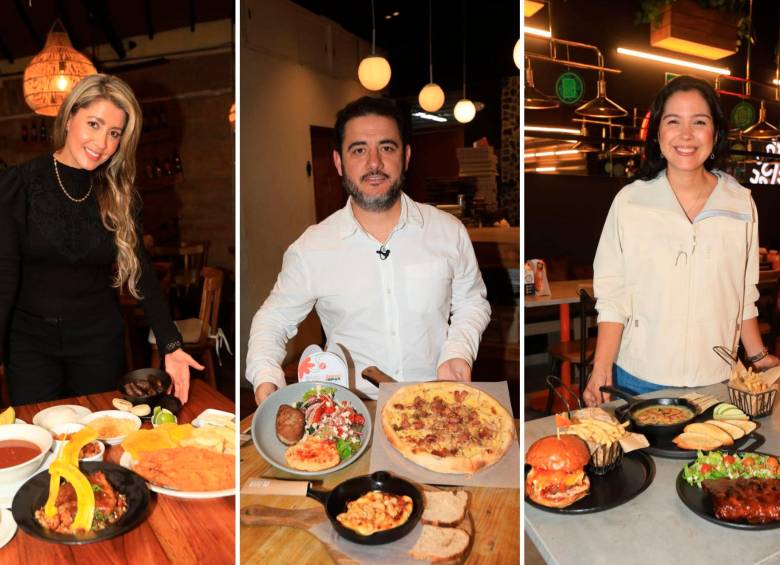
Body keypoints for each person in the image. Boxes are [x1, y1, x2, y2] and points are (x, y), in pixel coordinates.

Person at [247, 96, 491, 405]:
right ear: (338, 162)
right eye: (359, 149)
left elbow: (472, 302)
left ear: (406, 157)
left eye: (387, 148)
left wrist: (458, 352)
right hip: (353, 412)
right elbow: (273, 319)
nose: (374, 163)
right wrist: (266, 375)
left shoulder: (448, 231)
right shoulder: (311, 247)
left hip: (438, 402)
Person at [0, 74, 203, 405]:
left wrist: (171, 344)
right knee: (40, 438)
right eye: (93, 124)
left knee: (97, 436)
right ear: (68, 118)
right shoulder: (18, 186)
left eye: (114, 133)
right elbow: (4, 277)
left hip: (97, 341)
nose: (102, 143)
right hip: (29, 343)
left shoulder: (120, 195)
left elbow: (142, 274)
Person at [583, 76, 780, 407]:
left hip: (718, 378)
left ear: (715, 133)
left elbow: (742, 293)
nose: (686, 135)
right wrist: (601, 366)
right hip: (639, 378)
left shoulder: (740, 203)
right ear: (658, 133)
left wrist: (758, 356)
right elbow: (613, 295)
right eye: (673, 122)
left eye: (699, 122)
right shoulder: (631, 202)